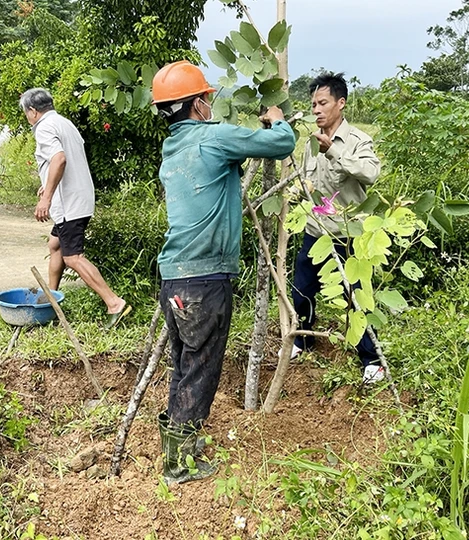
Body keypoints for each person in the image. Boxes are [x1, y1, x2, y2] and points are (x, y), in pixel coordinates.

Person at [152, 60, 296, 484]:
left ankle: (179, 444)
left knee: (185, 364)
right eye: (207, 99)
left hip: (174, 277)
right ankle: (178, 465)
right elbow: (281, 144)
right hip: (204, 280)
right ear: (197, 104)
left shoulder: (173, 148)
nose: (210, 105)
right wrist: (278, 121)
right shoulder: (212, 138)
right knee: (201, 368)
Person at [289, 72, 384, 383]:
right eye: (313, 104)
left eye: (323, 103)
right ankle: (303, 341)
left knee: (356, 297)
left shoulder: (357, 141)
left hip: (349, 237)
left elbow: (370, 174)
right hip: (316, 232)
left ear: (340, 104)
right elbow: (308, 183)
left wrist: (334, 150)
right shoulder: (309, 144)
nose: (316, 110)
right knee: (302, 292)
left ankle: (372, 359)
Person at [20, 88, 130, 329]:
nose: (27, 118)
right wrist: (46, 185)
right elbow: (60, 163)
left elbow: (59, 159)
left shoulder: (44, 128)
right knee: (55, 244)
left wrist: (46, 198)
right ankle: (51, 298)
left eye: (26, 113)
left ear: (33, 111)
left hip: (69, 203)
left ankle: (114, 303)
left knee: (73, 258)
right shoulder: (64, 123)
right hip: (78, 197)